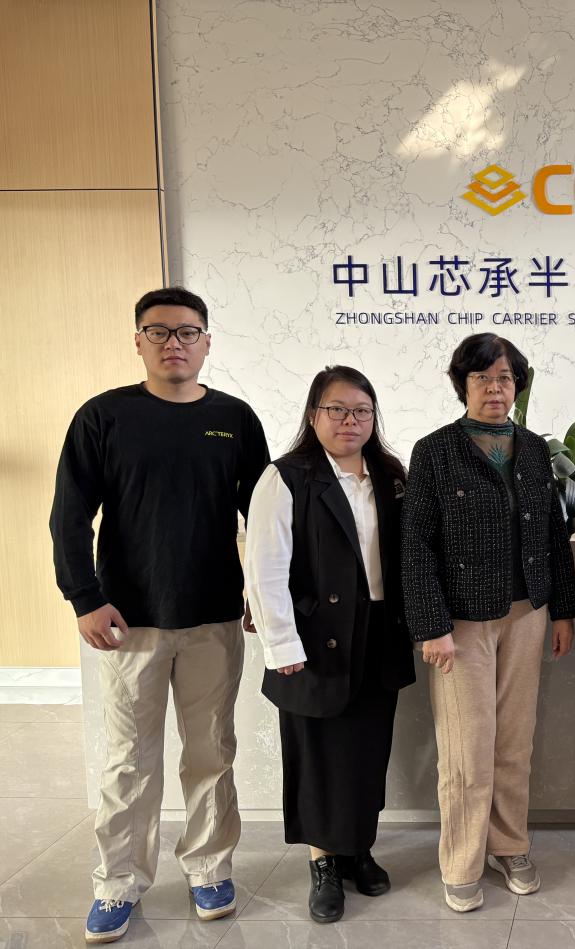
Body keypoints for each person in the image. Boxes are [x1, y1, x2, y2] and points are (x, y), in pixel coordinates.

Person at [50, 287, 269, 944]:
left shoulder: (234, 418)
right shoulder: (104, 416)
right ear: (138, 341)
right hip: (129, 622)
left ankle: (209, 868)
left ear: (207, 342)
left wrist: (264, 594)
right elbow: (69, 515)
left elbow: (265, 519)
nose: (175, 343)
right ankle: (117, 882)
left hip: (213, 618)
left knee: (212, 753)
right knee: (129, 761)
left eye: (187, 331)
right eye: (160, 331)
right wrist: (85, 597)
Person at [400, 333, 575, 913]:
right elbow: (415, 545)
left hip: (528, 614)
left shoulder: (533, 450)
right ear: (464, 385)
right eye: (482, 377)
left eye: (504, 378)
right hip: (461, 623)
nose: (494, 388)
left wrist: (563, 610)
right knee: (467, 747)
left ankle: (510, 845)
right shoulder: (435, 450)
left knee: (513, 742)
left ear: (516, 385)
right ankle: (461, 860)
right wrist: (430, 625)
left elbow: (553, 534)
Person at [243, 365, 414, 923]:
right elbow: (265, 568)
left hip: (379, 632)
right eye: (336, 410)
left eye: (361, 411)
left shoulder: (389, 474)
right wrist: (282, 646)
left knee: (367, 750)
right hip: (314, 637)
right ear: (314, 415)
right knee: (318, 754)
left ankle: (358, 848)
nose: (349, 421)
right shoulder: (286, 477)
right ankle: (323, 863)